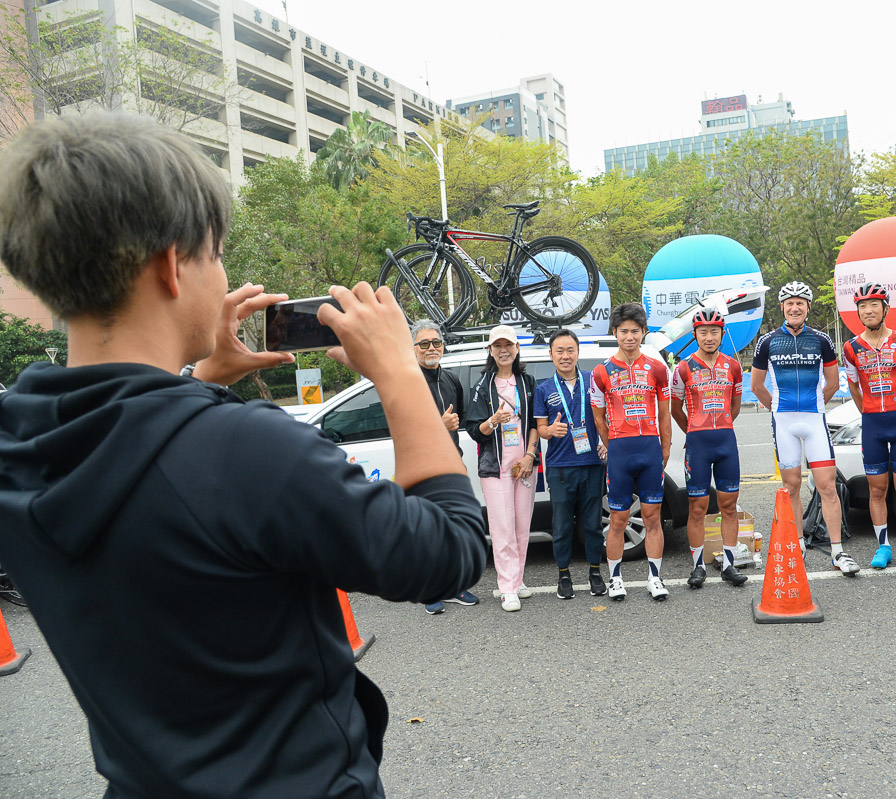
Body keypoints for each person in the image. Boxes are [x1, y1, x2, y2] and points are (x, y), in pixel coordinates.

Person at [0, 112, 487, 798]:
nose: (222, 269)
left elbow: (137, 468)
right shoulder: (246, 451)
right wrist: (401, 374)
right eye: (216, 251)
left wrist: (198, 376)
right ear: (172, 263)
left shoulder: (18, 444)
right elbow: (449, 551)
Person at [751, 282, 860, 576]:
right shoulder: (767, 341)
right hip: (784, 422)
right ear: (782, 308)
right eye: (789, 303)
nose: (794, 307)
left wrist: (816, 406)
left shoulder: (822, 340)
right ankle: (797, 545)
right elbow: (756, 386)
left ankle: (838, 551)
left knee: (827, 487)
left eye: (800, 302)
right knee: (791, 488)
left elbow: (833, 382)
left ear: (808, 307)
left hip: (814, 421)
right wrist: (777, 407)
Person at [591, 303, 672, 601]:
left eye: (635, 331)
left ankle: (655, 577)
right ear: (614, 332)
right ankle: (615, 579)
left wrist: (665, 448)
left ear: (643, 332)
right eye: (623, 331)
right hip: (621, 452)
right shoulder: (601, 372)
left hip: (650, 450)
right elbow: (598, 418)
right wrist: (613, 446)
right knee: (618, 519)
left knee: (653, 518)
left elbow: (664, 413)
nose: (629, 337)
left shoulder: (657, 369)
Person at [842, 283, 896, 570]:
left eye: (874, 305)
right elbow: (852, 384)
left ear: (886, 308)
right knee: (876, 490)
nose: (868, 310)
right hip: (872, 423)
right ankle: (882, 547)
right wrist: (868, 411)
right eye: (863, 306)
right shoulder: (851, 347)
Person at [669, 308, 748, 589]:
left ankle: (729, 564)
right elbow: (675, 408)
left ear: (722, 333)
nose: (709, 337)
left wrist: (722, 424)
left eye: (714, 331)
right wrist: (692, 429)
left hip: (726, 442)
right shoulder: (683, 368)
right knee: (697, 508)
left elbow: (735, 406)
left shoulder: (733, 366)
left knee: (728, 506)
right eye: (703, 332)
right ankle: (698, 566)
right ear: (695, 335)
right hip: (698, 445)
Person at [464, 325, 540, 612]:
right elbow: (474, 429)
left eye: (508, 345)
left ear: (517, 349)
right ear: (491, 351)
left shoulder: (528, 382)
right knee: (503, 528)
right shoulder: (483, 386)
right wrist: (493, 419)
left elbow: (535, 422)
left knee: (522, 527)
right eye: (498, 346)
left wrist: (530, 456)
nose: (503, 350)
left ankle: (516, 579)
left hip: (524, 465)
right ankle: (507, 588)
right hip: (495, 467)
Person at [533, 329, 608, 600]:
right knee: (562, 524)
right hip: (560, 466)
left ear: (578, 352)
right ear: (550, 354)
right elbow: (540, 427)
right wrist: (548, 431)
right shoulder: (543, 388)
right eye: (559, 351)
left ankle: (595, 573)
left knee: (592, 523)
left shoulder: (593, 382)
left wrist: (605, 441)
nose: (565, 356)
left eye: (570, 350)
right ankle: (563, 575)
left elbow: (606, 417)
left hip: (592, 462)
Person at [412, 318, 481, 613]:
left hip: (453, 463)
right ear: (413, 347)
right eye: (424, 343)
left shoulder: (451, 379)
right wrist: (438, 426)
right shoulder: (406, 382)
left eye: (436, 342)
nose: (431, 348)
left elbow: (461, 418)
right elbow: (400, 429)